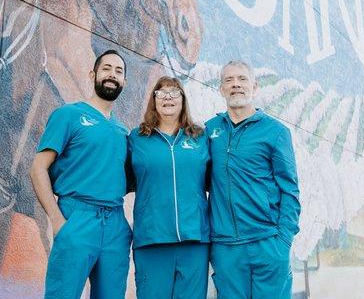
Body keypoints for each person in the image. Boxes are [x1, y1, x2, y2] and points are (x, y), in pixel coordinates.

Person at [30, 50, 132, 299]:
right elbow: (37, 168)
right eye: (106, 68)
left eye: (119, 71)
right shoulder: (69, 115)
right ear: (93, 74)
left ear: (124, 82)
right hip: (77, 218)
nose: (112, 75)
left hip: (115, 225)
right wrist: (57, 220)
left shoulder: (122, 131)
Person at [206, 60, 301, 299]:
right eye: (229, 80)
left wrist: (283, 243)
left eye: (242, 79)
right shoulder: (209, 130)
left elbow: (290, 191)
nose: (235, 84)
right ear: (221, 89)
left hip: (267, 244)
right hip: (226, 248)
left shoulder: (276, 132)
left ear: (254, 86)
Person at [127, 76, 211, 299]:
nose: (168, 97)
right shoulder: (136, 138)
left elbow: (215, 182)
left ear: (183, 100)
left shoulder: (200, 138)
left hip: (194, 241)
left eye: (174, 92)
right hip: (151, 240)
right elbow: (124, 180)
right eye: (161, 93)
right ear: (153, 100)